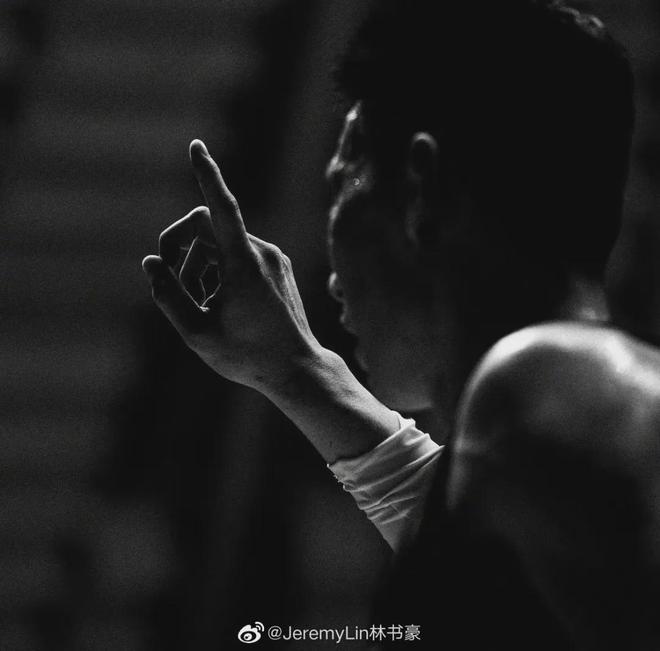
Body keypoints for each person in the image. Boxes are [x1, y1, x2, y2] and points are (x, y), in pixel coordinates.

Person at [142, 0, 660, 648]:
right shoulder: (534, 471)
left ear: (421, 191)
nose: (330, 275)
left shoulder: (535, 385)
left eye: (340, 186)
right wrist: (300, 372)